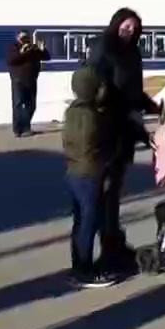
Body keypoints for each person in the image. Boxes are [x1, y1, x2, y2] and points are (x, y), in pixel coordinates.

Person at [84, 8, 161, 275]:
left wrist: (152, 107)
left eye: (134, 27)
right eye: (125, 26)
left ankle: (114, 243)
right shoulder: (103, 47)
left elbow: (134, 91)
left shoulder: (133, 53)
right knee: (104, 192)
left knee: (114, 191)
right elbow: (91, 86)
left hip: (126, 128)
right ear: (116, 24)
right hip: (107, 128)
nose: (129, 30)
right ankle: (103, 252)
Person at [61, 65, 118, 289]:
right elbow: (105, 145)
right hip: (91, 174)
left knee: (80, 221)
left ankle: (78, 266)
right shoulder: (94, 117)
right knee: (89, 222)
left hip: (73, 172)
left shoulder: (73, 111)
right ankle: (84, 270)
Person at [6, 29, 51, 137]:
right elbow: (11, 61)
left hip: (31, 80)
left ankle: (25, 127)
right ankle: (18, 130)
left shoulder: (33, 48)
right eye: (22, 37)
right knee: (18, 104)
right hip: (18, 80)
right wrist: (22, 52)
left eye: (27, 37)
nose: (25, 39)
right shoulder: (13, 48)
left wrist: (42, 49)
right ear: (18, 38)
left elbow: (47, 57)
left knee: (31, 105)